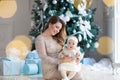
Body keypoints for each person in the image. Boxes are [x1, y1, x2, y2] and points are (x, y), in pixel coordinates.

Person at [35, 16, 83, 80]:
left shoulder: (56, 38)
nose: (58, 31)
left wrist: (76, 56)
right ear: (50, 24)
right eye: (57, 27)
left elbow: (65, 50)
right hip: (50, 71)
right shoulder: (40, 39)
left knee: (78, 73)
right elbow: (43, 57)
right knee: (77, 76)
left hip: (62, 66)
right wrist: (61, 61)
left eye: (59, 29)